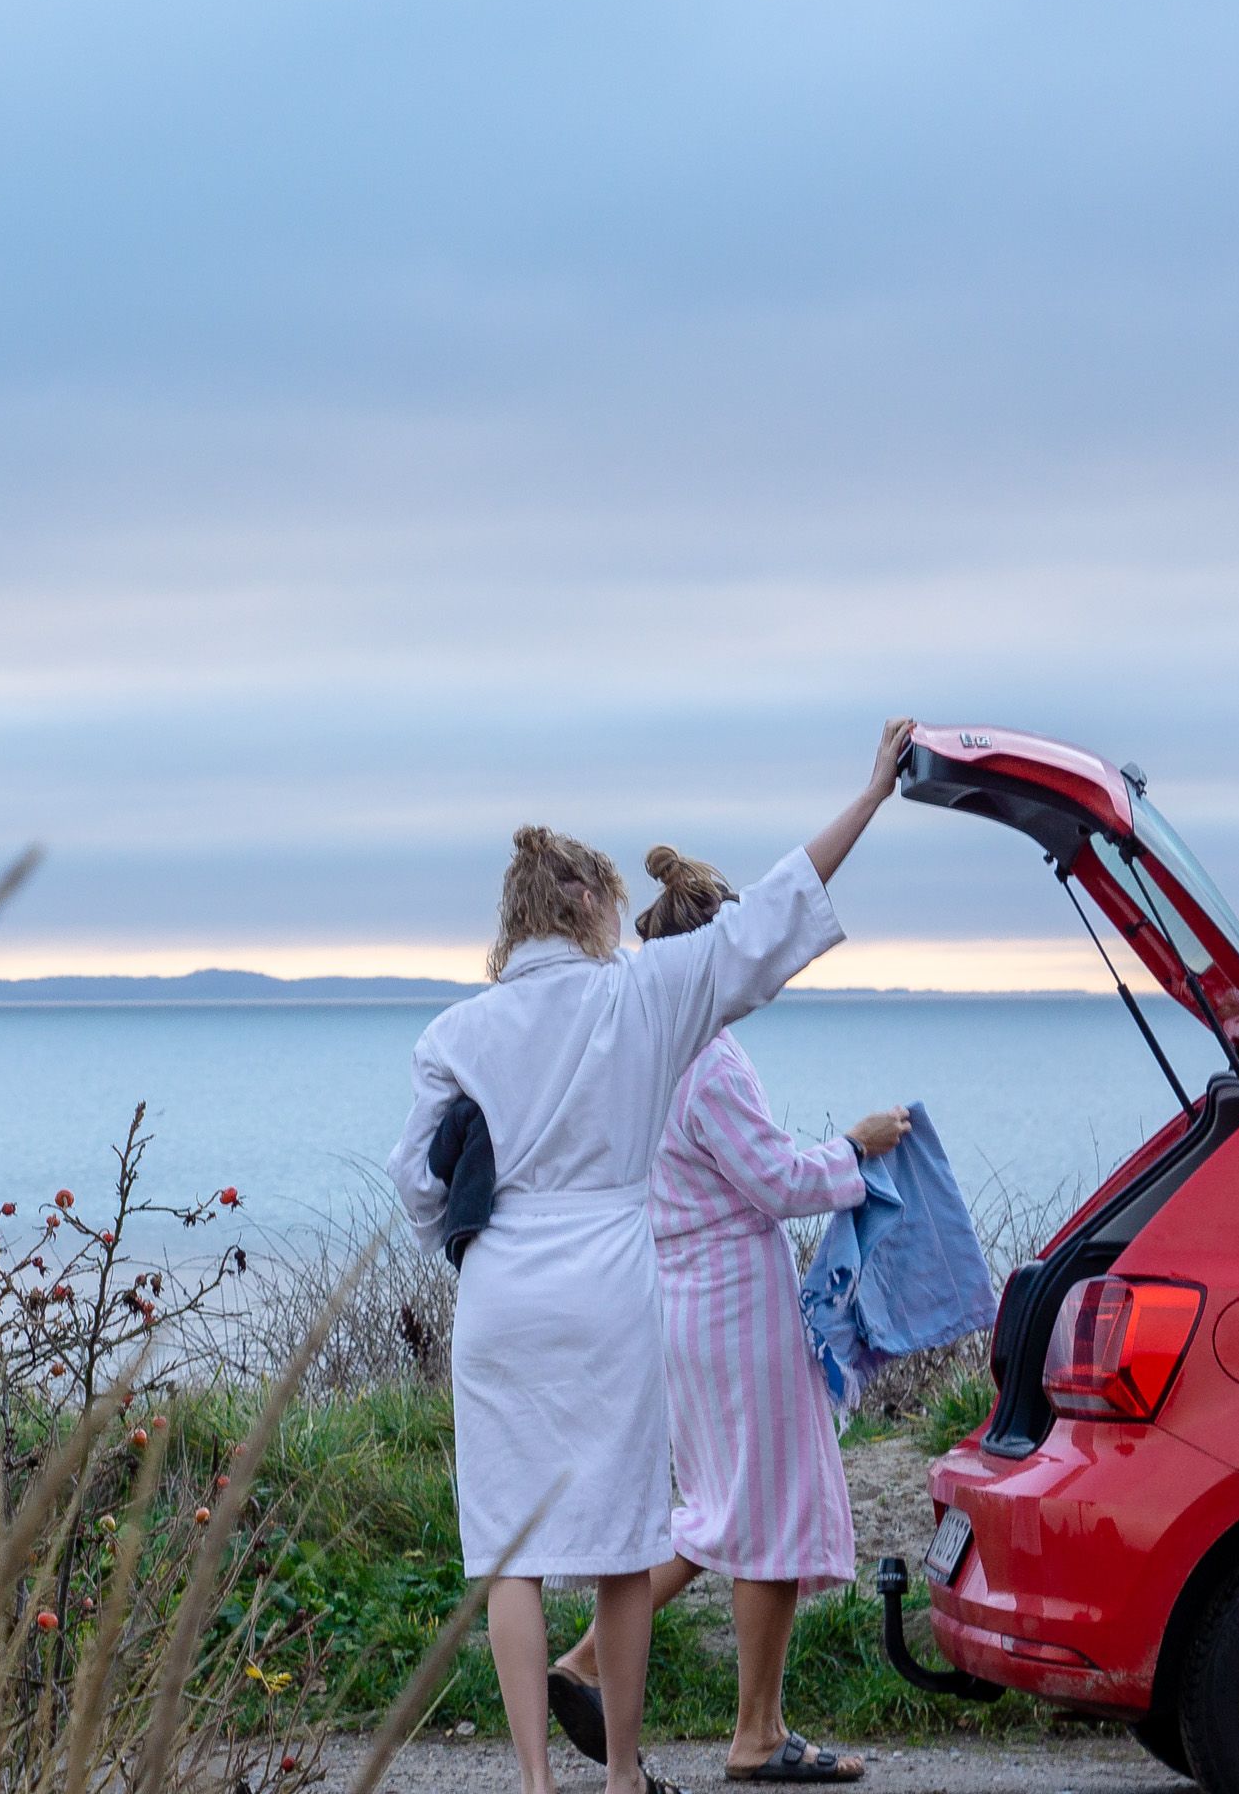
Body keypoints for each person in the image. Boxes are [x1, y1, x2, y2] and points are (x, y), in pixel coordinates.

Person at [392, 720, 916, 1794]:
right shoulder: (642, 997)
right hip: (613, 1293)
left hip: (501, 1296)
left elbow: (417, 1184)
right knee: (625, 1545)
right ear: (587, 906)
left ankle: (538, 1783)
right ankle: (624, 1776)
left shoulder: (456, 1034)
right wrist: (869, 796)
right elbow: (773, 916)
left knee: (514, 1551)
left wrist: (474, 1234)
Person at [542, 846, 910, 1784]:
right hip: (737, 1307)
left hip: (680, 1305)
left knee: (721, 1509)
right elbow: (778, 1181)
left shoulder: (646, 1056)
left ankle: (590, 1658)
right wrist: (855, 1148)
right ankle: (755, 1731)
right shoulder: (711, 1063)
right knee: (768, 1511)